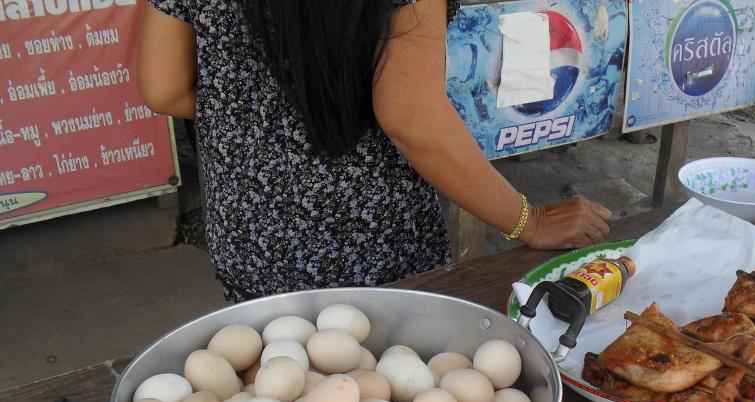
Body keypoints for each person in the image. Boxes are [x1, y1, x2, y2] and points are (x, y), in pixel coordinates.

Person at [137, 0, 613, 302]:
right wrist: (530, 220)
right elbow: (411, 116)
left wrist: (267, 118)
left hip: (252, 239)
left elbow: (162, 87)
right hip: (373, 249)